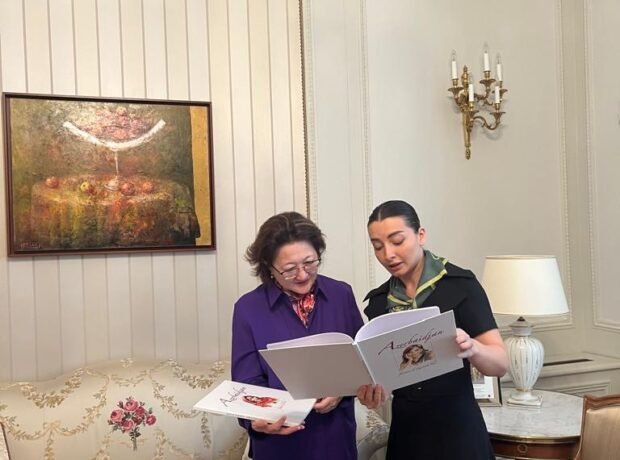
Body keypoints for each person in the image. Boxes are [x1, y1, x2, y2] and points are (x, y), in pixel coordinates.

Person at [356, 200, 508, 460]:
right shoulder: (379, 303)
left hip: (459, 434)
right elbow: (384, 380)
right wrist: (373, 394)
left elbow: (500, 364)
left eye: (397, 241)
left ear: (421, 235)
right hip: (407, 437)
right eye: (378, 246)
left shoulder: (461, 286)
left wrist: (472, 348)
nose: (388, 254)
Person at [232, 211, 364, 460]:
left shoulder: (341, 295)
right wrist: (256, 421)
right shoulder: (248, 309)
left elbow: (361, 362)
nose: (302, 275)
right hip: (280, 444)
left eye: (310, 263)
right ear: (269, 267)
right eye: (290, 269)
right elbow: (246, 382)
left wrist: (341, 391)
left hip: (335, 439)